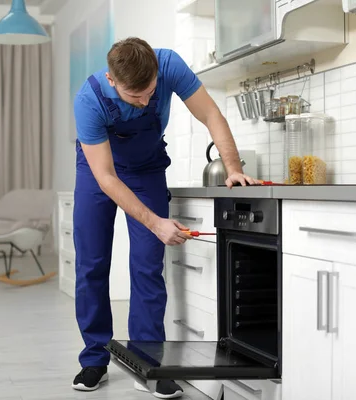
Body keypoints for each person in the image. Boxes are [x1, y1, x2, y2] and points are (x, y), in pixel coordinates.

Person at [71, 37, 257, 399]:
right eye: (133, 96)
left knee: (146, 265)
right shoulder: (88, 100)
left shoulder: (169, 64)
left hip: (146, 169)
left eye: (149, 92)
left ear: (157, 73)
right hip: (99, 170)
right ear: (112, 80)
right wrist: (155, 222)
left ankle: (147, 363)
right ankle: (95, 357)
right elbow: (106, 177)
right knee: (92, 263)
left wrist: (233, 167)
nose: (143, 102)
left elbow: (210, 114)